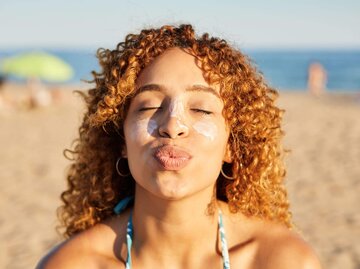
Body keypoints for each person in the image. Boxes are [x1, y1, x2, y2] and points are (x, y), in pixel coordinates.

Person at [37, 24, 322, 268]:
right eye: (148, 106)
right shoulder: (71, 264)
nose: (173, 125)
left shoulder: (282, 261)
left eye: (201, 110)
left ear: (232, 146)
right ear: (120, 139)